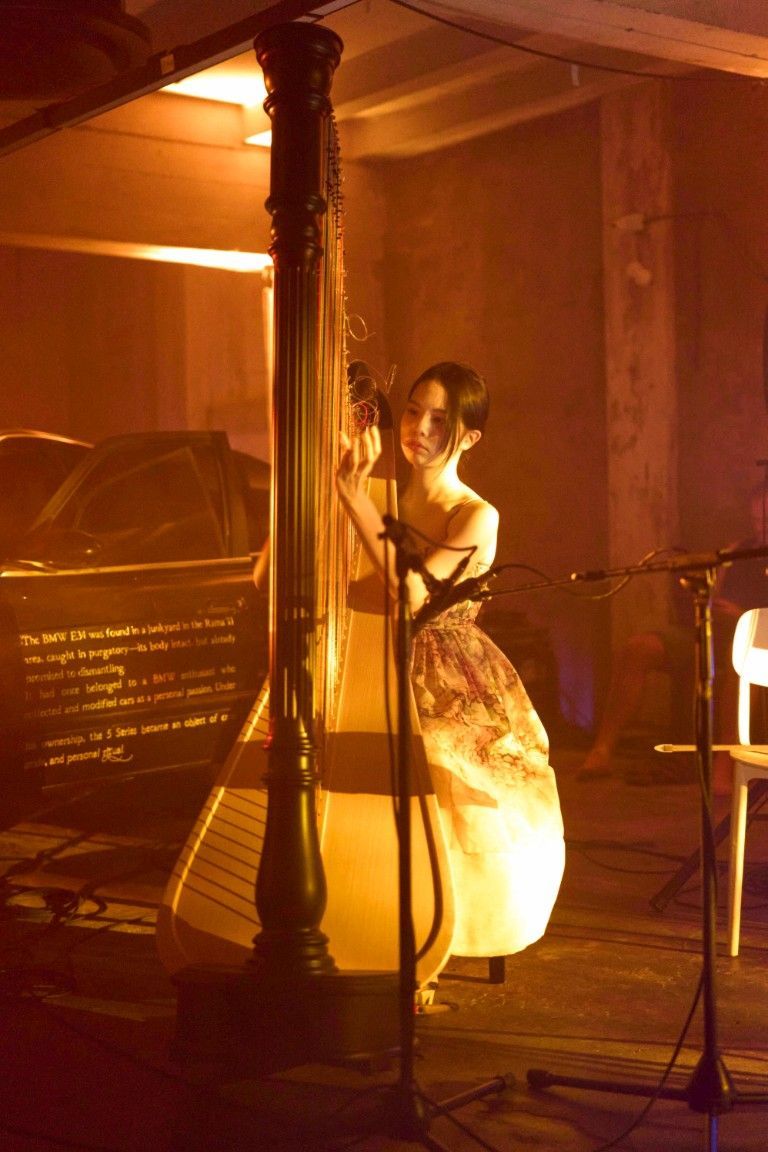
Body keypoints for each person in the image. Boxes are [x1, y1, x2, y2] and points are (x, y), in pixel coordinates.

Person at [335, 361, 564, 960]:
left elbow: (412, 595)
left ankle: (431, 939)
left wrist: (353, 498)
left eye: (440, 420)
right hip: (368, 656)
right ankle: (361, 913)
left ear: (469, 438)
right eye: (413, 411)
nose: (420, 429)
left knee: (434, 764)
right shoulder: (381, 496)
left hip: (449, 673)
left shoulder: (475, 514)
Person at [580, 480, 768, 790]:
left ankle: (725, 763)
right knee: (639, 647)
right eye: (756, 518)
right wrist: (706, 603)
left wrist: (742, 614)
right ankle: (602, 748)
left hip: (756, 640)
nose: (760, 525)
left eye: (766, 519)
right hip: (715, 632)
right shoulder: (737, 551)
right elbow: (714, 593)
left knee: (738, 663)